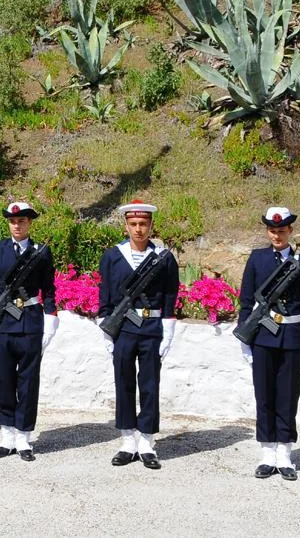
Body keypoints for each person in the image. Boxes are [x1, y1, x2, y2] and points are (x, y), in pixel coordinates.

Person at [236, 207, 300, 480]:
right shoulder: (258, 259)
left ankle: (284, 453)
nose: (277, 236)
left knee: (287, 395)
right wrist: (245, 339)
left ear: (290, 231)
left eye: (282, 231)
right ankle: (267, 452)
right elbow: (247, 300)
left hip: (293, 335)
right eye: (272, 231)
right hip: (262, 335)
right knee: (265, 395)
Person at [98, 200, 179, 469]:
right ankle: (127, 440)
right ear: (126, 225)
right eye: (133, 224)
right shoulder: (113, 256)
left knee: (149, 385)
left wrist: (167, 330)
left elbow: (170, 295)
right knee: (123, 382)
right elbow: (106, 295)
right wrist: (107, 331)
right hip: (122, 329)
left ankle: (146, 442)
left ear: (151, 225)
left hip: (151, 329)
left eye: (143, 224)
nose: (138, 229)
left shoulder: (164, 258)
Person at [0, 201, 58, 462]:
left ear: (29, 223)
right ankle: (7, 434)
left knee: (27, 381)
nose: (17, 225)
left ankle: (24, 437)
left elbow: (48, 290)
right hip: (2, 322)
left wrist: (49, 320)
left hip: (29, 322)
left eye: (22, 221)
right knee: (2, 379)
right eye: (13, 221)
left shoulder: (41, 252)